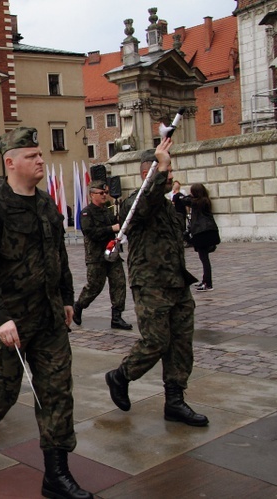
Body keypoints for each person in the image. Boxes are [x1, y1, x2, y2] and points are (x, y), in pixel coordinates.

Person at [0, 128, 92, 499]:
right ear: (11, 162)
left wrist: (67, 298)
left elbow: (59, 256)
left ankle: (56, 475)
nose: (40, 160)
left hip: (48, 319)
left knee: (56, 392)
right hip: (8, 321)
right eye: (32, 155)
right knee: (1, 394)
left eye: (40, 154)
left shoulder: (48, 204)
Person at [105, 140, 208, 428]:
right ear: (147, 173)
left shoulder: (169, 208)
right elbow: (142, 208)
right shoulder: (134, 202)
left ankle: (175, 401)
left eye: (171, 169)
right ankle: (121, 376)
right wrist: (160, 167)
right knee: (156, 342)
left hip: (176, 283)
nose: (171, 174)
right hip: (150, 284)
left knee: (180, 344)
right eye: (166, 169)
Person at [73, 180, 133, 331]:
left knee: (119, 283)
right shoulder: (86, 212)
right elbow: (90, 232)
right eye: (101, 193)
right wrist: (111, 228)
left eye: (106, 192)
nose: (105, 195)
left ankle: (117, 317)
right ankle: (79, 306)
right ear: (92, 194)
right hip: (96, 257)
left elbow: (117, 226)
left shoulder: (107, 210)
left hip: (111, 254)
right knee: (94, 286)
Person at [184, 183, 220, 292]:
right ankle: (206, 281)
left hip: (202, 233)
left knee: (204, 259)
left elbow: (184, 200)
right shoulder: (204, 200)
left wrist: (189, 196)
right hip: (205, 232)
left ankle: (207, 283)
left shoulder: (199, 202)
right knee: (204, 259)